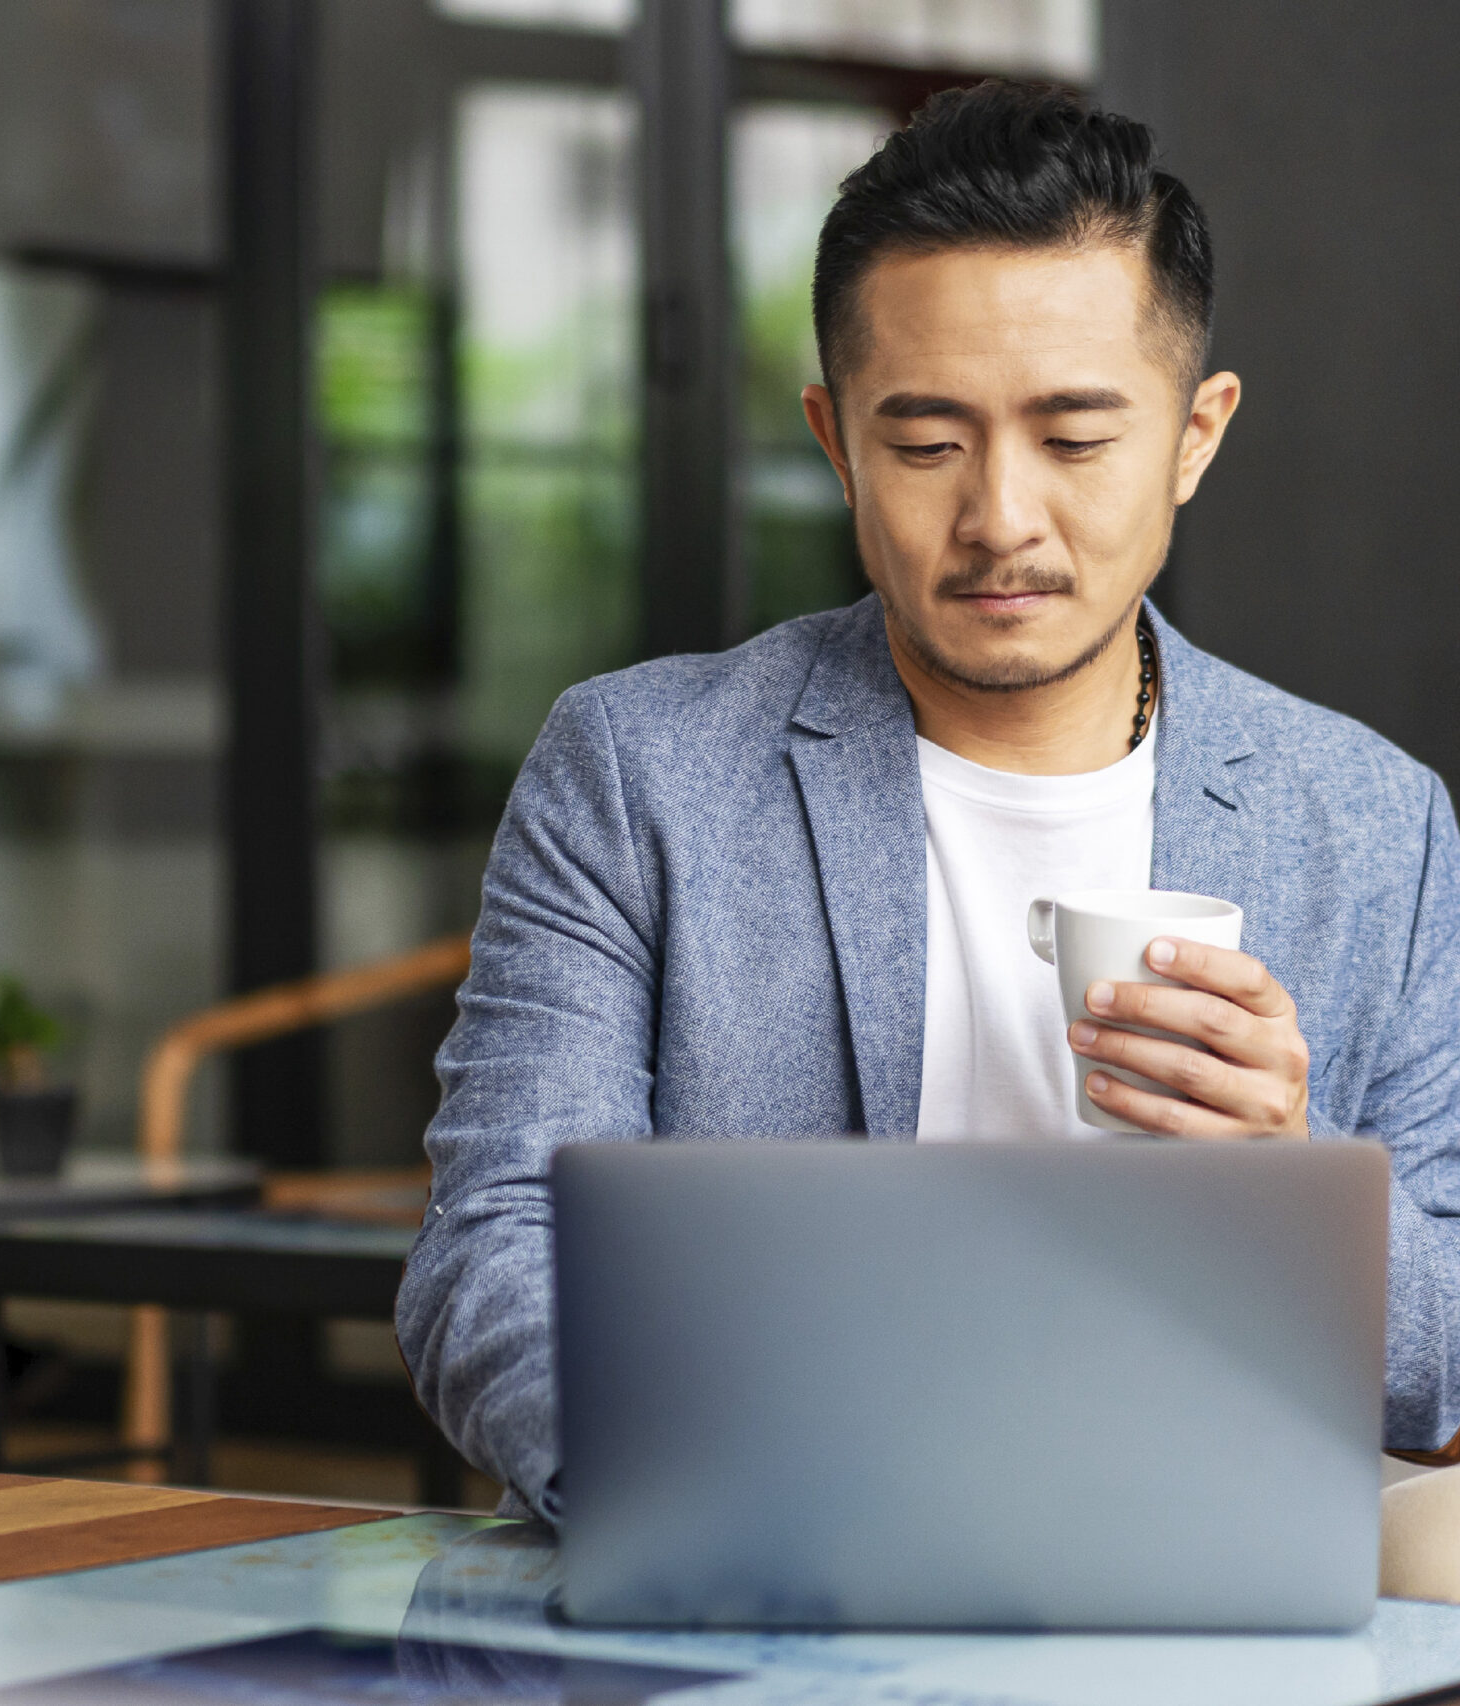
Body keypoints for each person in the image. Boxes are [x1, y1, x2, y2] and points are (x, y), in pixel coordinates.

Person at [396, 81, 1460, 1520]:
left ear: (1196, 436)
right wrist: (717, 1501)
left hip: (1202, 1599)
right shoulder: (639, 773)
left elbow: (1445, 1349)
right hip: (753, 1581)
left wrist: (1298, 1188)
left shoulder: (1370, 822)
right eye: (926, 444)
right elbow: (493, 1254)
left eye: (1077, 439)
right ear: (836, 444)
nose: (1002, 517)